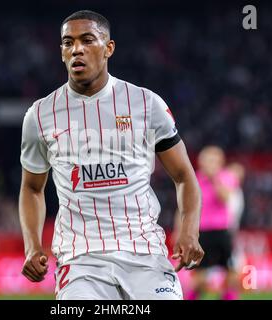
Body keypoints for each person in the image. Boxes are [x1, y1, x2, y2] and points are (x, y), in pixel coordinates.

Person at [18, 10, 203, 300]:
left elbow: (184, 176)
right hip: (80, 260)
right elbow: (31, 188)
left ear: (108, 48)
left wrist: (190, 231)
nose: (76, 49)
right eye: (68, 43)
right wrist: (32, 246)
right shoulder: (40, 115)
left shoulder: (146, 104)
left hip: (145, 254)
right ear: (62, 52)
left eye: (87, 40)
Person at [188, 146, 239, 300]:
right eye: (207, 160)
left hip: (222, 230)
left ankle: (228, 297)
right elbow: (187, 207)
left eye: (213, 160)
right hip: (202, 232)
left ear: (220, 162)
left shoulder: (228, 177)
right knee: (199, 275)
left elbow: (225, 198)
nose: (210, 164)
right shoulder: (195, 179)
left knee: (230, 271)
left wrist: (214, 179)